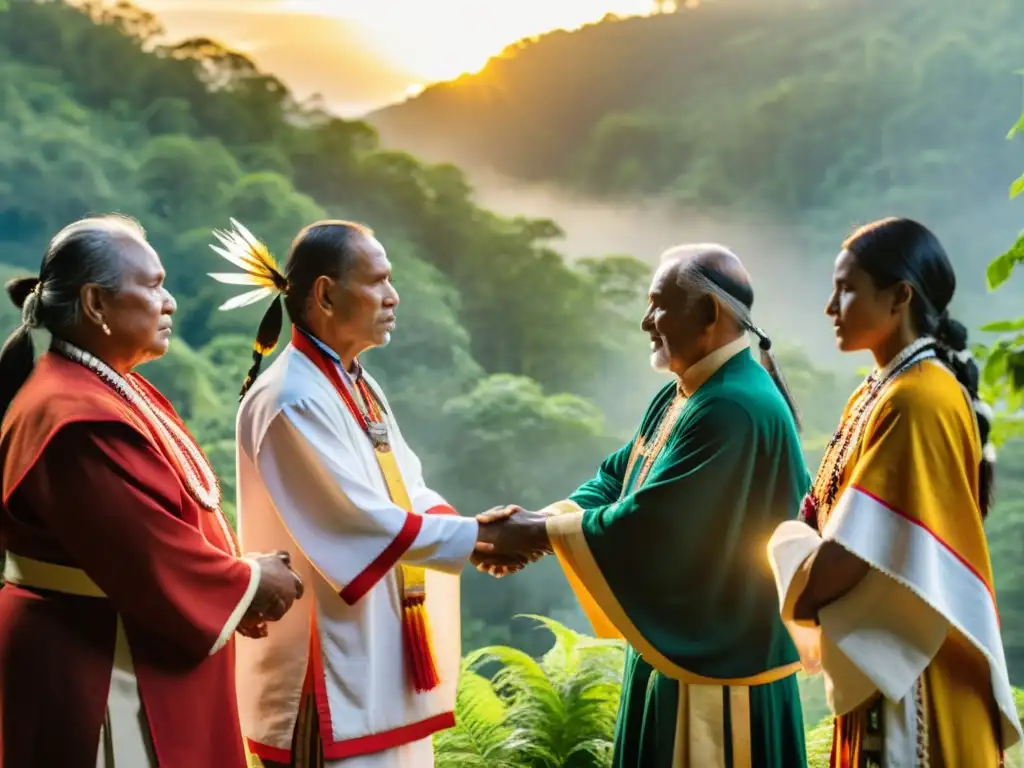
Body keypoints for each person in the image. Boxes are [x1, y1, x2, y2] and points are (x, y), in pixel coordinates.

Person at [474, 243, 809, 767]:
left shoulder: (732, 406)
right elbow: (618, 478)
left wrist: (535, 535)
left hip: (718, 667)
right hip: (678, 651)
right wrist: (538, 523)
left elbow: (654, 524)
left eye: (658, 305)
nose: (645, 322)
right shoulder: (688, 392)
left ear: (708, 313)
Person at [0, 214, 304, 768]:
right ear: (95, 303)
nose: (169, 303)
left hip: (116, 637)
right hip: (97, 658)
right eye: (153, 285)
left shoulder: (106, 387)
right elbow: (145, 548)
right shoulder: (73, 417)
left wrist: (234, 589)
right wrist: (250, 581)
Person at [210, 218, 503, 768]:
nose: (394, 297)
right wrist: (481, 539)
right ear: (325, 293)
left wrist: (479, 535)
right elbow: (356, 522)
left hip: (376, 658)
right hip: (327, 670)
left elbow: (408, 489)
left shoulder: (355, 382)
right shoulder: (291, 398)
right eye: (379, 281)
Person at [767, 217, 1023, 765]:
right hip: (887, 654)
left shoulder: (917, 399)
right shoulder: (881, 390)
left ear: (899, 296)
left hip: (915, 667)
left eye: (846, 288)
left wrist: (791, 584)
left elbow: (855, 552)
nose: (830, 308)